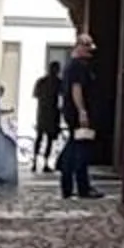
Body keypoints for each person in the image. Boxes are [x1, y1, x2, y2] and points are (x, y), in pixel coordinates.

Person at [56, 36, 103, 199]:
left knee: (75, 147)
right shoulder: (77, 67)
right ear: (79, 47)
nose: (91, 51)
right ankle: (81, 187)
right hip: (78, 114)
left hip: (73, 113)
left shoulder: (73, 66)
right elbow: (77, 89)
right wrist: (82, 111)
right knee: (81, 150)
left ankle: (69, 185)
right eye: (88, 47)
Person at [31, 61, 63, 167]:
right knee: (49, 139)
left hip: (41, 113)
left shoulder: (41, 82)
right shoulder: (58, 82)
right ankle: (45, 163)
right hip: (53, 114)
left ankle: (35, 162)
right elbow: (62, 98)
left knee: (39, 138)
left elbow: (35, 95)